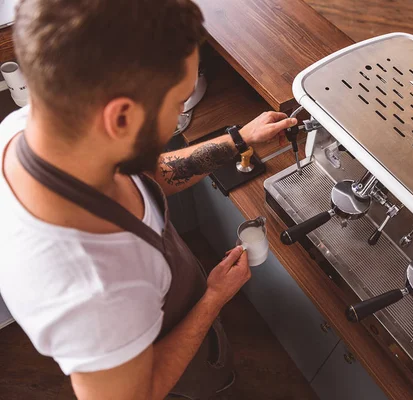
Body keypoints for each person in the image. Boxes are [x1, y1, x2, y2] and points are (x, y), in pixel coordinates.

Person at [0, 0, 297, 399]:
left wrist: (237, 141)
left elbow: (142, 173)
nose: (178, 116)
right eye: (178, 103)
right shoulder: (93, 288)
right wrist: (212, 300)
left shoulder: (30, 126)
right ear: (120, 117)